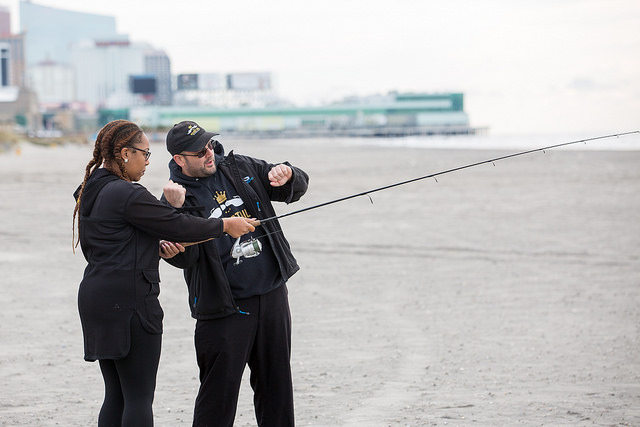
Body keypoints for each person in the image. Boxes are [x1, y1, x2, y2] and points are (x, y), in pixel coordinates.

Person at [72, 120, 255, 427]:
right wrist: (225, 225)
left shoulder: (90, 188)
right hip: (129, 302)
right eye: (144, 153)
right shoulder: (127, 194)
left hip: (96, 300)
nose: (147, 161)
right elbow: (176, 225)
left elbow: (133, 230)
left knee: (116, 393)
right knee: (138, 397)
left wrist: (162, 227)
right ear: (125, 153)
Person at [161, 120, 309, 426]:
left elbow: (295, 189)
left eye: (210, 145)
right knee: (218, 396)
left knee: (277, 387)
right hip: (223, 307)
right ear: (179, 159)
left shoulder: (240, 166)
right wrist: (174, 214)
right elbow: (181, 259)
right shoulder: (176, 196)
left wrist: (290, 174)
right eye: (199, 151)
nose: (209, 153)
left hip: (271, 295)